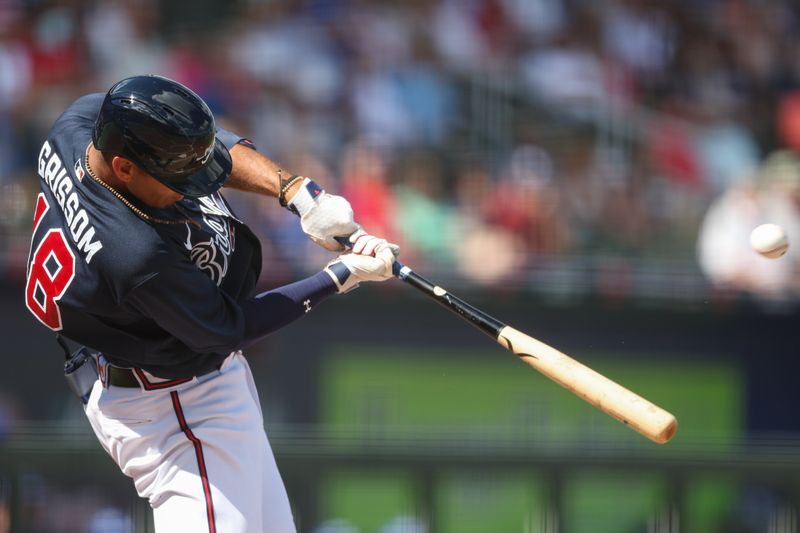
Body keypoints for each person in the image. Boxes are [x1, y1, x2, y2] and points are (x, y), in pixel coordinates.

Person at [24, 75, 400, 533]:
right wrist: (338, 276)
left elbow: (207, 146)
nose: (193, 185)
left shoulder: (80, 124)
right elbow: (228, 329)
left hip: (176, 380)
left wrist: (298, 193)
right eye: (177, 175)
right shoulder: (133, 252)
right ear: (124, 168)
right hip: (175, 406)